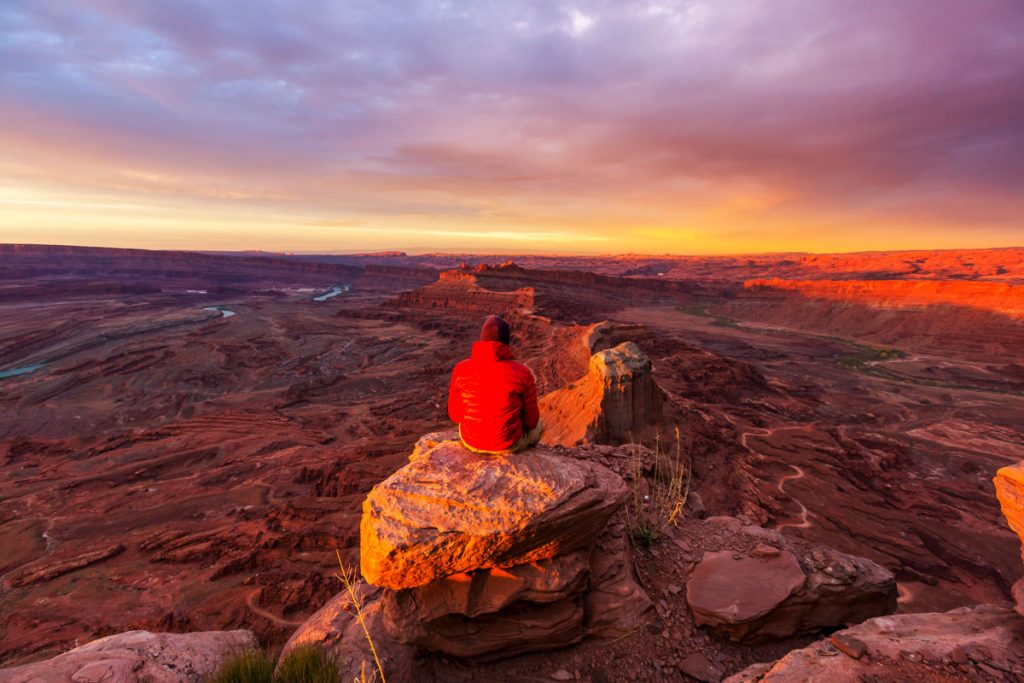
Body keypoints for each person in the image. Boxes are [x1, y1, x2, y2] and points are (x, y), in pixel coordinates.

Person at [448, 315, 542, 454]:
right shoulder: (522, 373)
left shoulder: (460, 369)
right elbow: (532, 422)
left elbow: (455, 416)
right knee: (539, 425)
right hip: (508, 444)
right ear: (507, 342)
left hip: (471, 442)